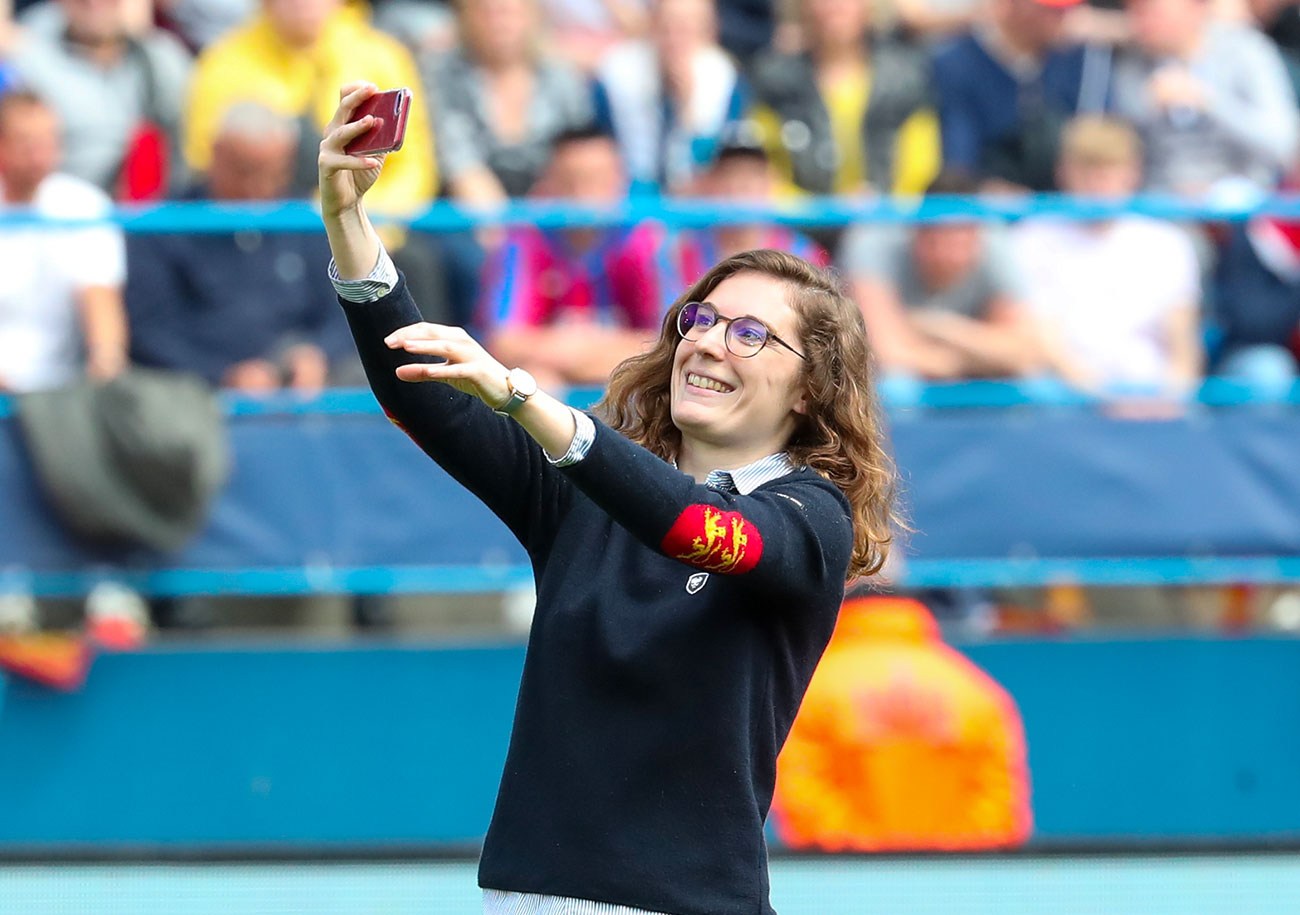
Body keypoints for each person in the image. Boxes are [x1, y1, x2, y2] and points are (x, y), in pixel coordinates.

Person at [320, 80, 898, 915]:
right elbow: (422, 394)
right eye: (699, 319)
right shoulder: (583, 486)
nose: (705, 342)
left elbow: (697, 527)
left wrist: (523, 396)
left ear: (810, 390)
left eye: (748, 333)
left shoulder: (812, 518)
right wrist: (348, 226)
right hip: (529, 895)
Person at [771, 595, 1033, 852]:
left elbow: (802, 798)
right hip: (955, 884)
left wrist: (868, 857)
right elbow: (1000, 806)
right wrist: (945, 862)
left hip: (846, 883)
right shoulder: (976, 689)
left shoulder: (812, 689)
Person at [126, 102, 353, 393]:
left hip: (303, 389)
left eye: (273, 174)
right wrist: (222, 374)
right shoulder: (167, 227)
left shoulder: (304, 222)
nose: (256, 188)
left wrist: (318, 354)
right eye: (244, 171)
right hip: (200, 395)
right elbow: (149, 332)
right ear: (216, 155)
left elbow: (344, 308)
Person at [183, 0, 436, 215]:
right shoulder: (223, 62)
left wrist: (362, 221)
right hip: (266, 224)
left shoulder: (383, 56)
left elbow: (414, 168)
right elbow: (205, 163)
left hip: (372, 223)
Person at [1010, 115, 1202, 397]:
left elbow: (1182, 343)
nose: (1098, 184)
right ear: (1063, 172)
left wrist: (1172, 398)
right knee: (1037, 388)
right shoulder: (1031, 238)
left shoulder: (1169, 243)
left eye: (1109, 171)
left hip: (1150, 390)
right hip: (1065, 392)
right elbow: (1040, 333)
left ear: (1133, 173)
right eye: (1087, 171)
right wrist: (1096, 394)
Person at [479, 126, 670, 389]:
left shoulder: (645, 240)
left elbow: (670, 346)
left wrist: (574, 348)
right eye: (569, 180)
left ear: (621, 180)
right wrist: (609, 350)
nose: (582, 193)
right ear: (548, 182)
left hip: (625, 384)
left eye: (595, 179)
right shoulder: (525, 239)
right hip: (551, 384)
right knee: (534, 382)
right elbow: (504, 344)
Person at [840, 171, 1039, 381]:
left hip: (950, 365)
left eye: (957, 244)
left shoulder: (996, 245)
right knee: (898, 383)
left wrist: (941, 328)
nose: (945, 256)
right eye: (935, 242)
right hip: (893, 387)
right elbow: (886, 354)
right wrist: (980, 360)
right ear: (915, 232)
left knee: (1032, 383)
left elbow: (1022, 352)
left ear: (977, 238)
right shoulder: (873, 241)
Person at [0, 90, 127, 394]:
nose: (38, 156)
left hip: (60, 397)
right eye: (25, 144)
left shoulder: (85, 207)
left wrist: (106, 364)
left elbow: (101, 299)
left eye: (47, 142)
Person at [748, 0, 939, 196]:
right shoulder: (775, 81)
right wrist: (820, 211)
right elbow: (762, 169)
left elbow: (921, 170)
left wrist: (881, 208)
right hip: (798, 222)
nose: (835, 7)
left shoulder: (906, 79)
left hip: (890, 221)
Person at [1110, 0, 1299, 196]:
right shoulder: (1133, 62)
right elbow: (1114, 151)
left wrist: (1207, 101)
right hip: (1161, 207)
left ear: (1197, 7)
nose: (1141, 22)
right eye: (1135, 10)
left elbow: (1282, 143)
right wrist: (1147, 107)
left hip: (1241, 204)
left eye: (1152, 11)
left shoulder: (1246, 50)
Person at [10, 0, 191, 197]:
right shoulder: (28, 62)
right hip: (59, 216)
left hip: (146, 217)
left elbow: (184, 161)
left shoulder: (162, 60)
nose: (94, 3)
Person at [424, 0, 593, 205]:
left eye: (507, 12)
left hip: (552, 207)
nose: (498, 23)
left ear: (531, 17)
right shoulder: (441, 74)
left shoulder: (561, 76)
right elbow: (456, 155)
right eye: (486, 13)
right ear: (466, 18)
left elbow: (578, 149)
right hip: (465, 210)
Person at [932, 0, 1111, 193]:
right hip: (988, 212)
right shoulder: (958, 63)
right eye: (1051, 11)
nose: (1064, 17)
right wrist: (985, 189)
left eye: (1067, 10)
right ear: (1010, 5)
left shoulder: (1082, 59)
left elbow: (1109, 150)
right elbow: (959, 162)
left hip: (1067, 208)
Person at [593, 0, 747, 193]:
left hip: (696, 199)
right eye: (667, 26)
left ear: (709, 30)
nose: (675, 38)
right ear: (651, 23)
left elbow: (716, 161)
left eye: (687, 28)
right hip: (627, 194)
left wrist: (687, 113)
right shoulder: (616, 73)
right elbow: (603, 146)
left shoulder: (724, 79)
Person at [668, 127, 829, 289]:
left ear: (770, 181)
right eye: (729, 173)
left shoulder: (804, 256)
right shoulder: (677, 253)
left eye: (752, 174)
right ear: (709, 182)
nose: (738, 186)